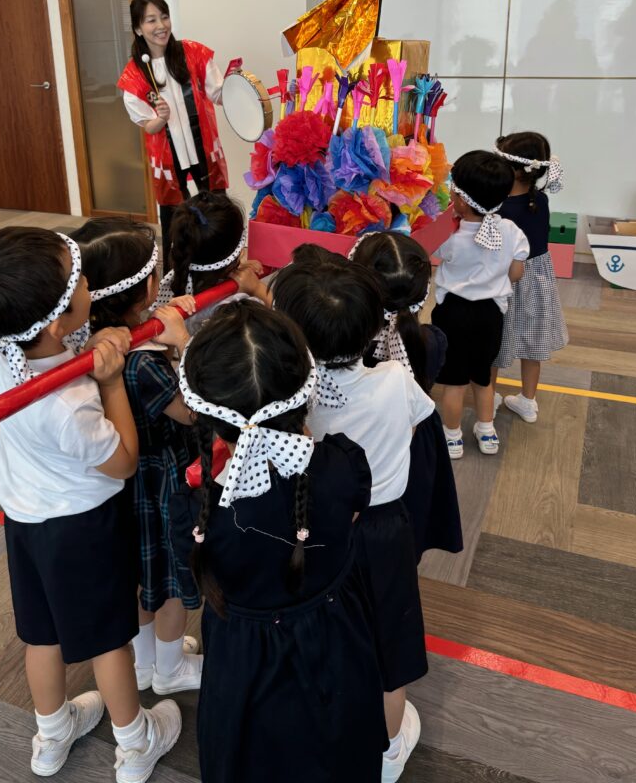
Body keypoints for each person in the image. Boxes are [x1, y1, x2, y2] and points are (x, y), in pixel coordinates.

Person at [0, 227, 180, 783]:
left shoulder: (5, 352)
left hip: (26, 518)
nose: (88, 284)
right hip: (81, 526)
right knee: (109, 640)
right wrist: (112, 382)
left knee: (42, 633)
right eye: (79, 280)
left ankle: (52, 734)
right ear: (58, 322)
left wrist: (89, 341)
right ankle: (135, 742)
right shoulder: (69, 405)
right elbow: (123, 461)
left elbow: (62, 338)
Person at [169, 301, 387, 783]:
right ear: (305, 394)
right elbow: (351, 510)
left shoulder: (197, 508)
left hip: (240, 657)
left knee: (247, 756)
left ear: (201, 411)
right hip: (334, 641)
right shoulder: (340, 467)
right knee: (340, 751)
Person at [273, 247, 433, 783]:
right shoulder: (394, 378)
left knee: (319, 626)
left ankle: (319, 718)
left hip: (313, 529)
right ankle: (387, 752)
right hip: (384, 530)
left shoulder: (291, 399)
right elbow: (412, 431)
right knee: (389, 641)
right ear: (373, 325)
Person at [71, 216, 204, 698]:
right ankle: (170, 670)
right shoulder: (144, 362)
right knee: (170, 578)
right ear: (146, 286)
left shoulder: (92, 343)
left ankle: (147, 662)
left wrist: (168, 314)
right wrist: (185, 343)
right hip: (164, 482)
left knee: (142, 575)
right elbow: (192, 413)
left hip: (126, 488)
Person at [350, 231, 462, 561]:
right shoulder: (430, 341)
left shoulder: (343, 347)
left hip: (356, 448)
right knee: (406, 527)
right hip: (415, 450)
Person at [118, 0, 229, 269]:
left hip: (202, 146)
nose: (161, 26)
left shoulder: (193, 53)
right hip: (168, 157)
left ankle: (224, 263)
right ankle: (174, 277)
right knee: (172, 219)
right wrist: (161, 118)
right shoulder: (134, 74)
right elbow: (147, 125)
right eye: (151, 20)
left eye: (164, 17)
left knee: (218, 209)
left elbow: (220, 94)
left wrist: (245, 90)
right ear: (138, 28)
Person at [430, 150, 529, 458]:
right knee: (483, 377)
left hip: (452, 312)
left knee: (454, 383)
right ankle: (487, 432)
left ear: (459, 199)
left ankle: (452, 438)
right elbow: (516, 273)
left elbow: (433, 257)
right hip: (490, 314)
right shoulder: (511, 231)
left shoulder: (449, 233)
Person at [492, 132, 569, 422]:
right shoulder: (541, 200)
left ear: (512, 169)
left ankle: (490, 392)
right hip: (538, 280)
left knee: (496, 339)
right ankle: (528, 400)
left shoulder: (499, 207)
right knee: (532, 340)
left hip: (506, 279)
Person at [154, 191, 270, 329]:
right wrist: (257, 288)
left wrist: (236, 269)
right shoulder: (241, 309)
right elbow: (292, 325)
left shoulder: (176, 286)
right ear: (237, 253)